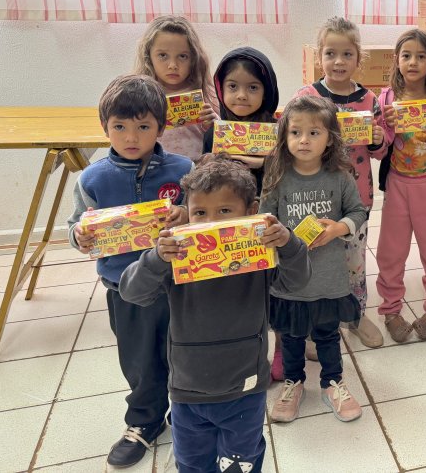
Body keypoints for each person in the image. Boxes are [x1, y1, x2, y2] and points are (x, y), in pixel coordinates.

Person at [119, 155, 310, 473]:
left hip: (245, 388)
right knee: (192, 463)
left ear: (251, 211)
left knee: (241, 462)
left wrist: (288, 244)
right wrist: (156, 258)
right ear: (187, 214)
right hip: (187, 390)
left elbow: (296, 283)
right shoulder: (177, 256)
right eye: (200, 213)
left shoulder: (259, 255)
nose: (210, 222)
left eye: (224, 211)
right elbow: (132, 292)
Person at [68, 75, 192, 468]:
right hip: (123, 288)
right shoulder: (92, 177)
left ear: (161, 127)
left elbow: (203, 215)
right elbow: (75, 225)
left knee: (184, 353)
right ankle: (144, 420)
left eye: (143, 126)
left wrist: (187, 213)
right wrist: (80, 235)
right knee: (139, 361)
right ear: (105, 127)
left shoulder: (183, 168)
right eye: (120, 126)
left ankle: (187, 415)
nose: (131, 137)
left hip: (176, 286)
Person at [261, 96, 369, 423]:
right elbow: (264, 219)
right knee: (292, 338)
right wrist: (276, 234)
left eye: (314, 132)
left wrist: (338, 228)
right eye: (295, 132)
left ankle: (332, 383)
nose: (304, 140)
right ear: (284, 137)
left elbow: (358, 212)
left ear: (330, 139)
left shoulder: (340, 177)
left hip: (328, 278)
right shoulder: (277, 177)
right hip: (289, 282)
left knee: (327, 335)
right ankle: (293, 383)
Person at [293, 17, 388, 349]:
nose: (338, 61)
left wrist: (377, 139)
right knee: (314, 260)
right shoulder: (307, 97)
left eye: (347, 54)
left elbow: (379, 152)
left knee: (354, 262)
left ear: (358, 58)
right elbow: (292, 143)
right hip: (314, 197)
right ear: (319, 55)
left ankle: (354, 315)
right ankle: (312, 321)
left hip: (356, 199)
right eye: (330, 53)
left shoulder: (369, 99)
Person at [375, 29, 426, 343]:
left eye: (421, 56)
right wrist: (386, 129)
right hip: (396, 183)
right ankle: (390, 309)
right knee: (390, 251)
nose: (413, 62)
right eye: (406, 56)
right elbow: (379, 148)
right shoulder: (387, 97)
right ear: (396, 59)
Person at [133, 15, 218, 159]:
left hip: (198, 168)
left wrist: (213, 123)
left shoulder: (206, 94)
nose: (173, 65)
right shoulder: (138, 96)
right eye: (163, 55)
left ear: (194, 58)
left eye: (182, 56)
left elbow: (225, 139)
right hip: (155, 167)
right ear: (148, 56)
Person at [203, 46, 280, 191]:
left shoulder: (280, 133)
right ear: (221, 89)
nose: (241, 95)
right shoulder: (213, 135)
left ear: (266, 93)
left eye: (253, 87)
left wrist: (264, 163)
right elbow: (206, 184)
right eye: (232, 86)